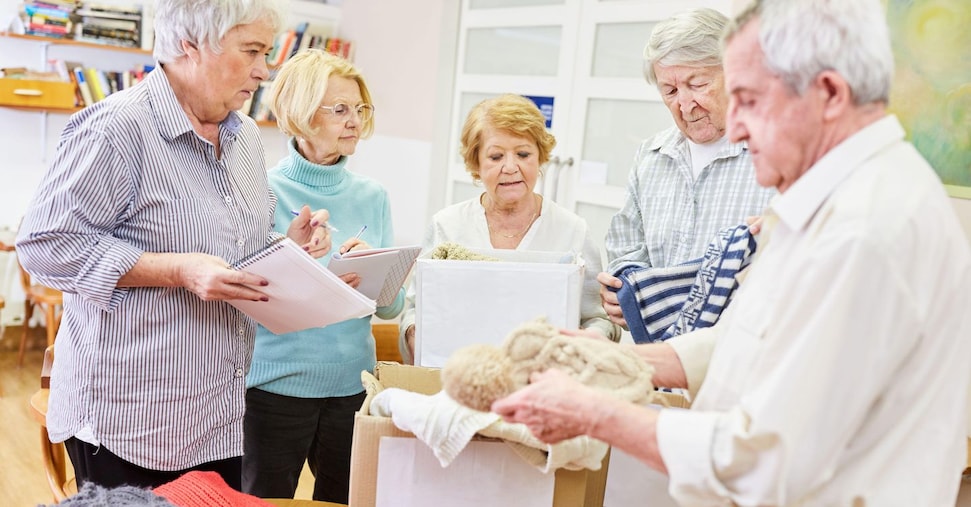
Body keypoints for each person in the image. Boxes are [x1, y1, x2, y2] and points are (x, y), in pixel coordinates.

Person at [493, 0, 971, 505]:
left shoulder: (864, 229)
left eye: (749, 99)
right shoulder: (828, 196)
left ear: (829, 94)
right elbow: (751, 340)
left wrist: (592, 411)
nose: (735, 129)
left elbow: (760, 461)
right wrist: (614, 359)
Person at [14, 0, 335, 491]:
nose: (264, 70)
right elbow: (43, 246)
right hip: (131, 424)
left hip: (219, 418)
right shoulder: (115, 129)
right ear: (191, 45)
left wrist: (284, 246)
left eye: (266, 53)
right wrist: (175, 270)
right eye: (251, 50)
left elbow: (228, 245)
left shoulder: (246, 136)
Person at [242, 49, 403, 504]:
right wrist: (294, 258)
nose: (354, 121)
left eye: (359, 109)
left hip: (353, 388)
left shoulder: (374, 195)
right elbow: (245, 296)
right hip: (275, 390)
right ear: (300, 113)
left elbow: (392, 307)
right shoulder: (260, 189)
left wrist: (379, 268)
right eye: (340, 109)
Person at [398, 93, 620, 364]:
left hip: (544, 383)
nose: (511, 167)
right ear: (476, 164)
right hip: (462, 379)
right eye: (495, 156)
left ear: (540, 157)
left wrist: (590, 341)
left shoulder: (573, 231)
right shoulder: (447, 226)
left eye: (523, 154)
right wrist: (415, 335)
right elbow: (416, 311)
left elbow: (598, 318)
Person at [598, 8, 775, 330]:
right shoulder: (651, 156)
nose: (685, 104)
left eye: (698, 84)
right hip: (661, 359)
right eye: (670, 90)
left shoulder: (775, 153)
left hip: (741, 354)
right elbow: (626, 246)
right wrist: (624, 291)